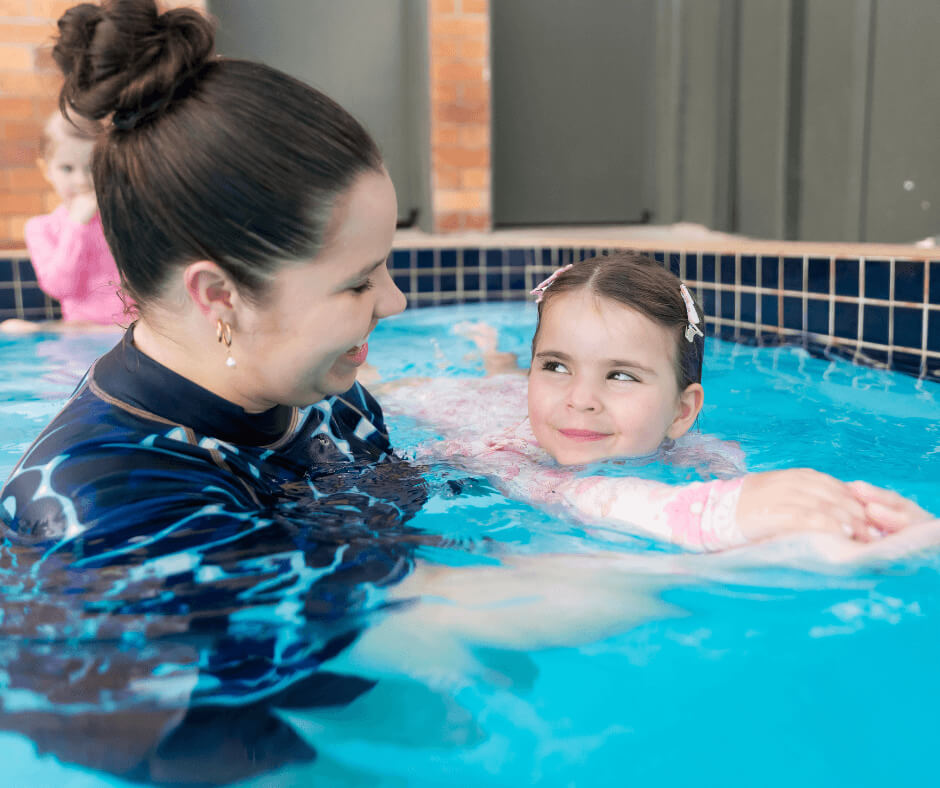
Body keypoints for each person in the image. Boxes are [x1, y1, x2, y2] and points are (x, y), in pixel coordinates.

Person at [0, 2, 694, 782]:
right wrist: (761, 542)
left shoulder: (324, 393)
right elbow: (441, 607)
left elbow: (415, 541)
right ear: (219, 296)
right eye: (360, 279)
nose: (395, 300)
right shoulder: (109, 505)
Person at [377, 252, 934, 552]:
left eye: (620, 375)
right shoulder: (494, 453)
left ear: (682, 412)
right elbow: (579, 497)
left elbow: (754, 528)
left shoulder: (711, 457)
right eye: (554, 365)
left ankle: (497, 361)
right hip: (465, 403)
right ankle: (496, 364)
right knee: (388, 386)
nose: (580, 400)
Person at [0, 111, 128, 333]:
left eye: (91, 167)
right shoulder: (40, 228)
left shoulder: (124, 218)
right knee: (13, 329)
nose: (81, 180)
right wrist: (76, 225)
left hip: (130, 327)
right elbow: (59, 287)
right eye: (67, 168)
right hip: (82, 330)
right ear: (46, 170)